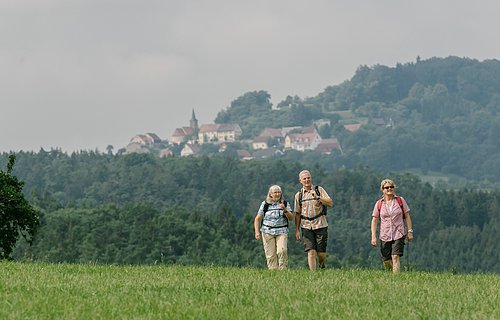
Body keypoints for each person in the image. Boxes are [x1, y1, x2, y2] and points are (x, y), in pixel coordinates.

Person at [370, 179, 414, 273]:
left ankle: (396, 278)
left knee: (395, 256)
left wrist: (410, 231)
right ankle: (390, 275)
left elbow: (407, 216)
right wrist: (373, 236)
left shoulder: (400, 200)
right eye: (387, 187)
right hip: (385, 234)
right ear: (382, 190)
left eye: (391, 187)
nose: (389, 189)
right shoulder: (379, 203)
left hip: (399, 233)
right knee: (386, 260)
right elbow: (374, 220)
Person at [294, 170, 333, 271]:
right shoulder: (299, 195)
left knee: (321, 252)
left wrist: (318, 197)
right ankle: (313, 274)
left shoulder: (318, 190)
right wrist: (297, 230)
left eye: (308, 178)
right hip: (306, 225)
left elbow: (330, 203)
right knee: (310, 251)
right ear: (300, 181)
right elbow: (297, 213)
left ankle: (322, 265)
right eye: (304, 179)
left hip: (320, 224)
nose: (307, 180)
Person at [254, 185, 294, 270]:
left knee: (282, 251)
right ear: (270, 194)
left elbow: (291, 218)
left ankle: (283, 271)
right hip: (267, 232)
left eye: (279, 192)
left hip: (282, 231)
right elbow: (257, 218)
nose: (277, 194)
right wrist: (257, 232)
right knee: (270, 255)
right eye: (275, 192)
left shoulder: (285, 203)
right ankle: (273, 272)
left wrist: (285, 210)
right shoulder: (265, 204)